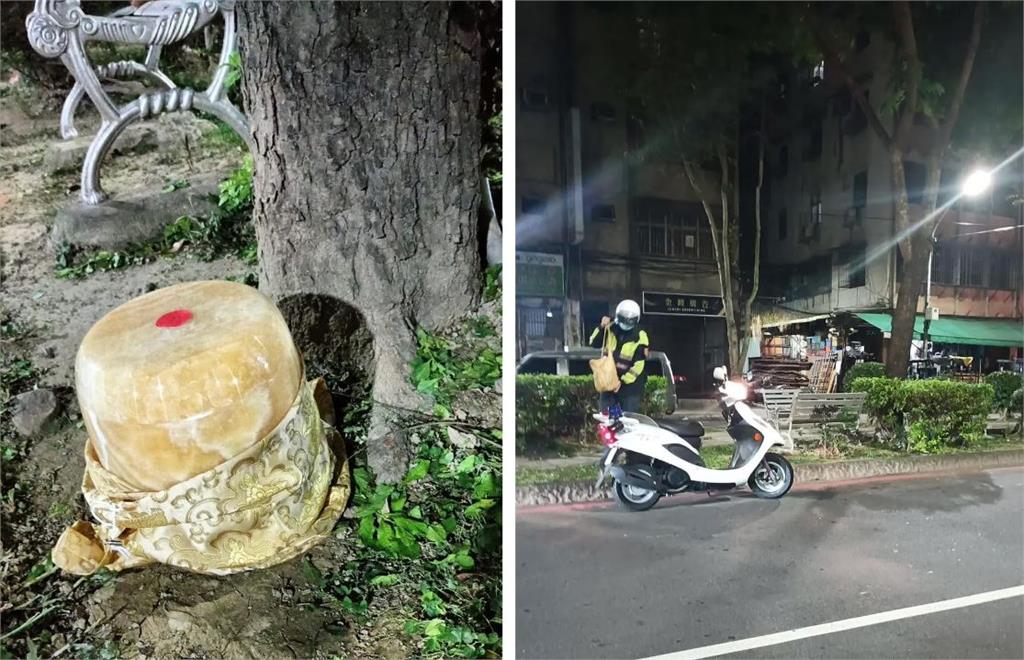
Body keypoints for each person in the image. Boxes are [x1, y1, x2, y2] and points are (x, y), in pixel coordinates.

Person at [588, 299, 650, 413]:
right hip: (608, 383)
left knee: (628, 422)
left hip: (629, 389)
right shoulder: (610, 327)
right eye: (623, 320)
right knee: (606, 419)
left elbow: (638, 366)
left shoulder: (640, 336)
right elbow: (593, 342)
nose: (626, 324)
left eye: (630, 321)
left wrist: (621, 382)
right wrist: (602, 327)